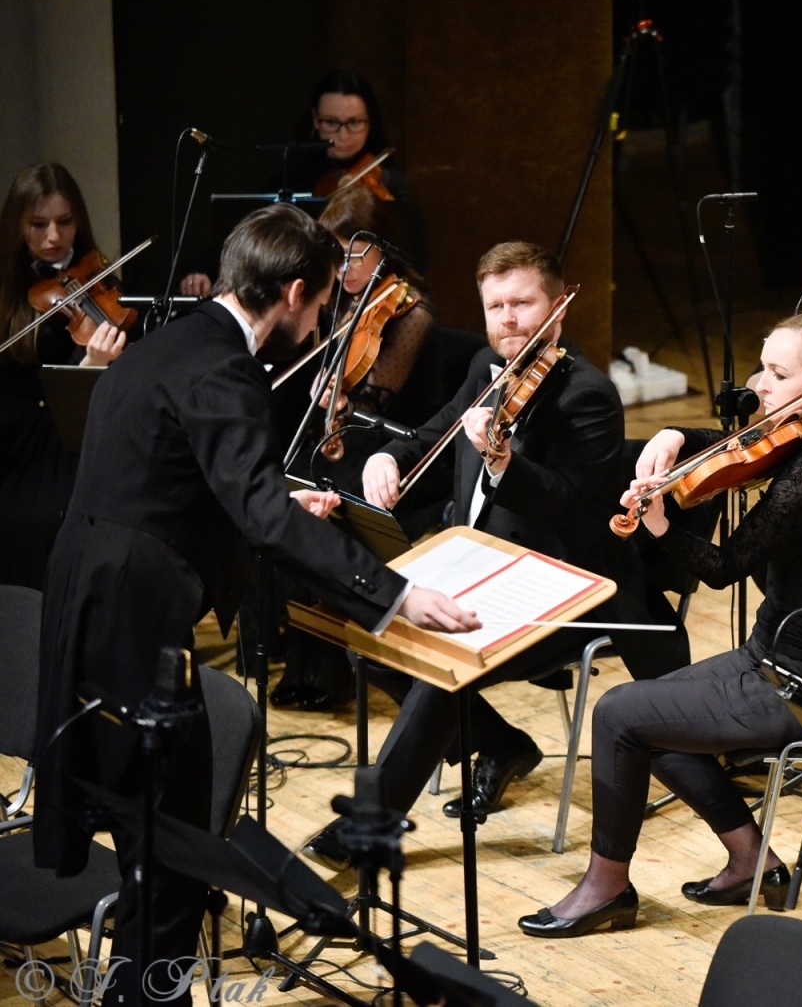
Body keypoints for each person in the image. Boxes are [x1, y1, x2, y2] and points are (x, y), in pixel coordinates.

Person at [30, 203, 476, 1007]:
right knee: (169, 856)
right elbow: (253, 509)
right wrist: (396, 593)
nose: (326, 318)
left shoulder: (173, 339)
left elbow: (172, 484)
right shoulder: (225, 368)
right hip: (133, 619)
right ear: (297, 291)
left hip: (92, 596)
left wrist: (264, 508)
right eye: (324, 302)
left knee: (158, 840)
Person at [304, 242, 685, 857]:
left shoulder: (586, 394)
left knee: (443, 664)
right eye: (495, 305)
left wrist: (504, 463)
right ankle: (502, 744)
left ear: (559, 306)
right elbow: (436, 435)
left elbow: (575, 509)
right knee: (372, 628)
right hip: (479, 565)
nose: (507, 318)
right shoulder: (487, 365)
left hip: (567, 588)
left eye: (522, 303)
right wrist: (387, 457)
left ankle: (368, 825)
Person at [517, 313, 802, 938]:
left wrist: (660, 523)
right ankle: (750, 857)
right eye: (761, 366)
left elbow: (722, 568)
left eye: (777, 373)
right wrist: (673, 433)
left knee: (619, 714)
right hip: (781, 655)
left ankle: (607, 885)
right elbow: (741, 447)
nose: (757, 384)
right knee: (644, 714)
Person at [270, 185, 441, 711]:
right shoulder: (331, 302)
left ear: (382, 250)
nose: (342, 268)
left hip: (392, 451)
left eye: (353, 255)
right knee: (288, 490)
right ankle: (299, 657)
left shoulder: (410, 315)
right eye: (335, 254)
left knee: (333, 506)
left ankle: (332, 673)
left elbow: (379, 405)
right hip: (339, 440)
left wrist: (341, 409)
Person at [0, 162, 132, 589]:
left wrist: (99, 365)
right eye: (38, 225)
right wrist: (87, 367)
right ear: (18, 226)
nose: (53, 237)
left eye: (65, 222)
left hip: (82, 449)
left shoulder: (96, 280)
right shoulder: (7, 297)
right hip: (24, 451)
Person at [180, 69, 424, 296]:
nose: (343, 134)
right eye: (332, 122)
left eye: (354, 122)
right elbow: (246, 224)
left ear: (370, 121)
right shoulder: (294, 173)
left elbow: (408, 253)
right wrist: (203, 269)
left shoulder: (387, 178)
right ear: (316, 119)